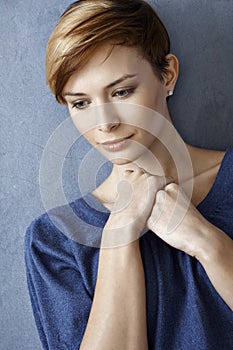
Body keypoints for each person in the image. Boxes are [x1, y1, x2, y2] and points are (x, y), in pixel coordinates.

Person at [24, 0, 233, 349]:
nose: (105, 123)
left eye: (121, 92)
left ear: (167, 74)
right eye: (81, 103)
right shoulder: (54, 241)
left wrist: (208, 244)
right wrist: (118, 238)